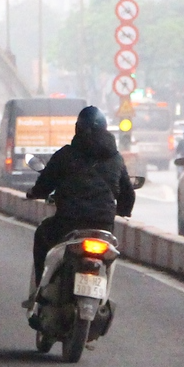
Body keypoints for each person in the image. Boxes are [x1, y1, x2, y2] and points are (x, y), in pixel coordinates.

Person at [25, 107, 135, 308]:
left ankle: (40, 290)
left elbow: (45, 183)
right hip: (103, 227)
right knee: (110, 259)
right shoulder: (116, 158)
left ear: (77, 128)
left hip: (68, 223)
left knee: (42, 234)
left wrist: (35, 193)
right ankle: (103, 298)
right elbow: (128, 193)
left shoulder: (66, 155)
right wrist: (124, 210)